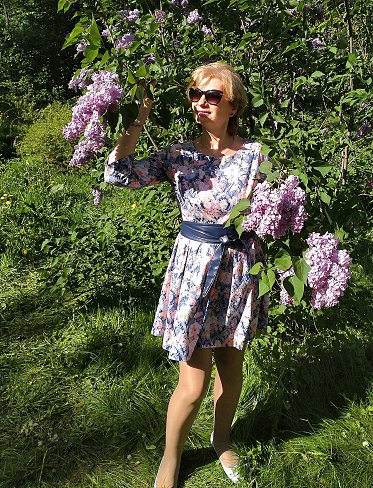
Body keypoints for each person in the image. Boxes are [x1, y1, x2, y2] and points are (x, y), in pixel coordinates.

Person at [104, 62, 269, 488]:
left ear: (233, 105)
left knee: (232, 369)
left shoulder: (256, 155)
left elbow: (275, 213)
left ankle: (221, 439)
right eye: (195, 94)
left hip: (237, 269)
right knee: (193, 385)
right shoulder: (179, 155)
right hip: (194, 272)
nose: (201, 102)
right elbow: (118, 174)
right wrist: (137, 118)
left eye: (212, 95)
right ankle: (171, 457)